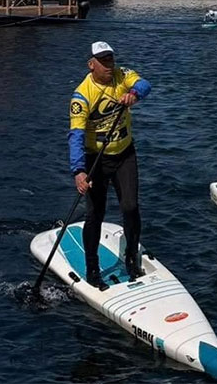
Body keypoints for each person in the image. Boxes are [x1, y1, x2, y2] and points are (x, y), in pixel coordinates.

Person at [69, 41, 152, 289]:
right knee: (96, 213)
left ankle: (130, 259)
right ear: (91, 64)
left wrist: (134, 94)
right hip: (96, 158)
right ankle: (92, 267)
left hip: (125, 154)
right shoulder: (81, 96)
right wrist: (79, 171)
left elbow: (145, 84)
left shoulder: (122, 75)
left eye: (110, 60)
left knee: (130, 206)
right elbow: (75, 136)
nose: (109, 66)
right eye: (103, 62)